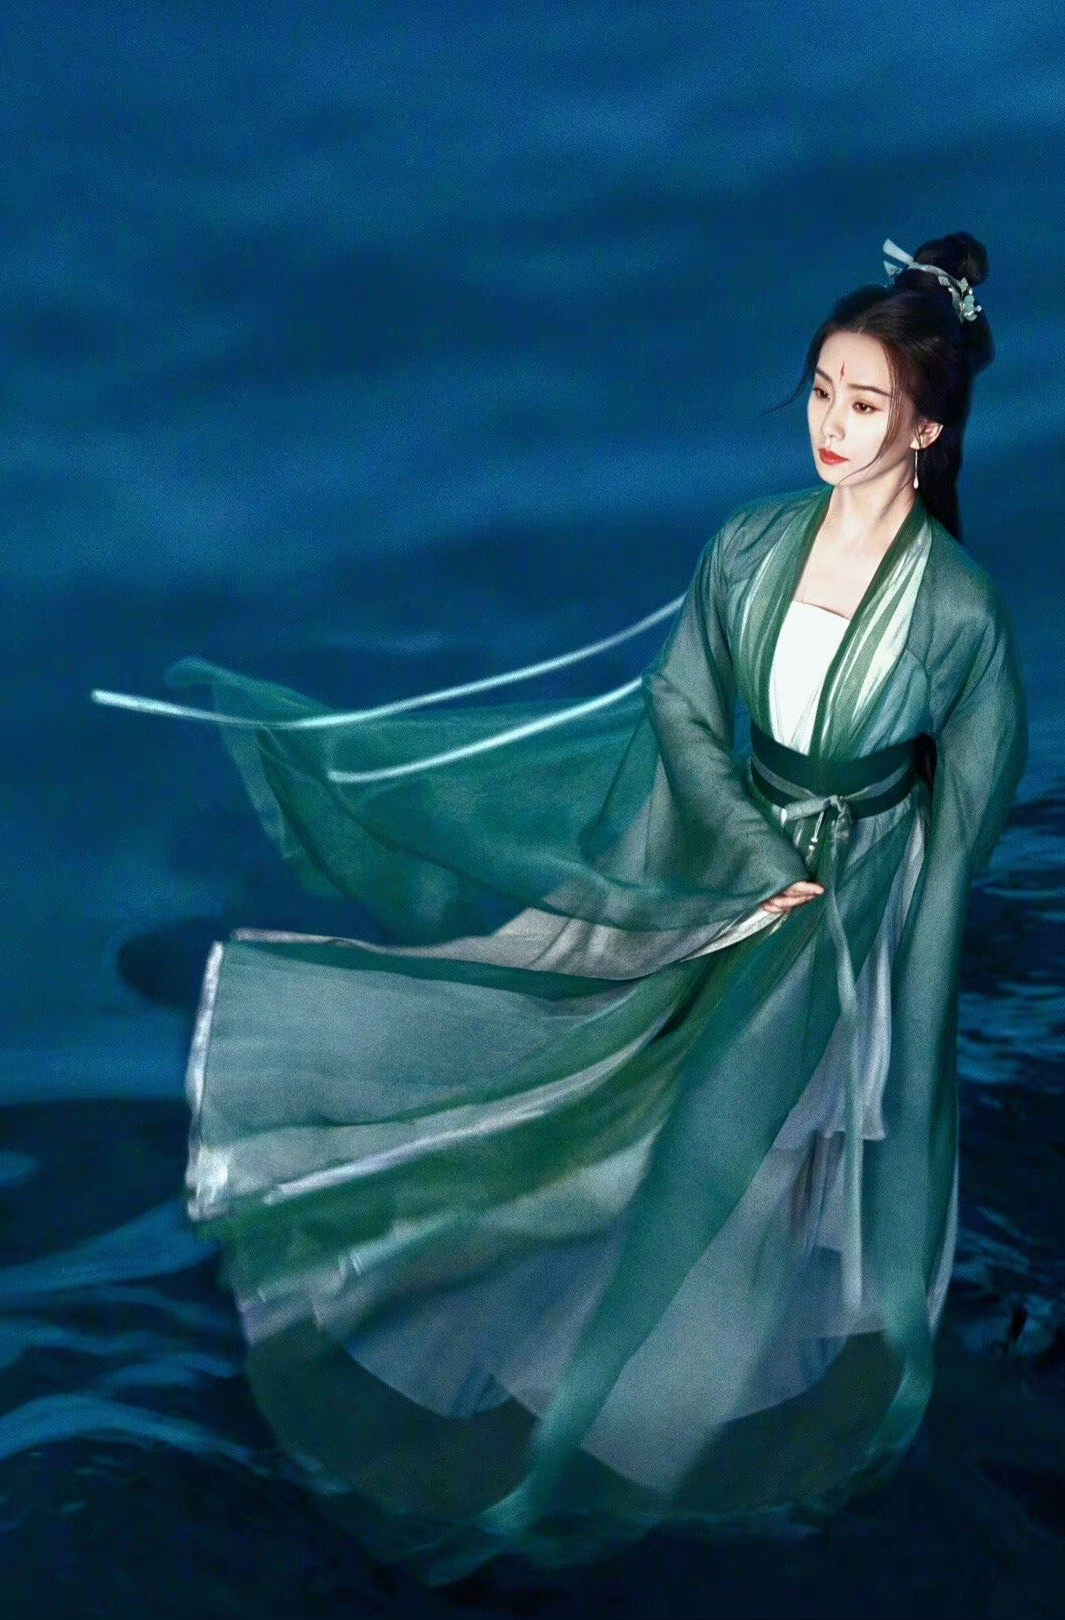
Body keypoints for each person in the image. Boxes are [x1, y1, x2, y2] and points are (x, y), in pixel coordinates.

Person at [92, 230, 1028, 1584]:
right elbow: (683, 707)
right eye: (823, 391)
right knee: (624, 1112)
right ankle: (509, 1377)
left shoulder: (960, 615)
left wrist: (894, 992)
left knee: (719, 1155)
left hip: (846, 911)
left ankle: (568, 1444)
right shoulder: (750, 547)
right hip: (735, 877)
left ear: (926, 429)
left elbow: (964, 826)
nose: (831, 424)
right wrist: (751, 854)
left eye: (865, 403)